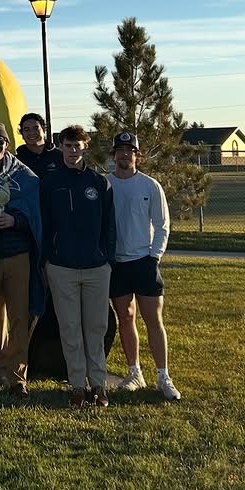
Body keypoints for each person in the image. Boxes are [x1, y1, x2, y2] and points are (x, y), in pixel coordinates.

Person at [40, 124, 116, 408]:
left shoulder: (99, 183)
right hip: (61, 267)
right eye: (67, 146)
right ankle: (76, 386)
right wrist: (48, 258)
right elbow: (44, 225)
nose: (72, 151)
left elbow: (109, 225)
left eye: (77, 146)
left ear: (86, 146)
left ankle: (98, 385)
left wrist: (107, 259)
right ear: (60, 147)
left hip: (97, 267)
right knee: (70, 328)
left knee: (95, 327)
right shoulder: (50, 183)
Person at [108, 131, 182, 401]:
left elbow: (163, 225)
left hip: (145, 262)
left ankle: (163, 375)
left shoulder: (150, 186)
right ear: (113, 155)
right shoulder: (106, 185)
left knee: (154, 319)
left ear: (137, 155)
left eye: (130, 150)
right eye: (120, 150)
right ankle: (134, 372)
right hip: (118, 263)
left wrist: (154, 257)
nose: (125, 155)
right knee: (125, 318)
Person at [0, 121, 43, 399]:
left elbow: (34, 218)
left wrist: (15, 220)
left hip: (16, 255)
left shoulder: (24, 177)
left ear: (7, 145)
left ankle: (17, 378)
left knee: (18, 318)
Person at [16, 113, 61, 179]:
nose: (32, 133)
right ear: (22, 134)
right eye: (27, 130)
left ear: (43, 130)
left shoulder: (59, 156)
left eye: (35, 128)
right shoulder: (16, 160)